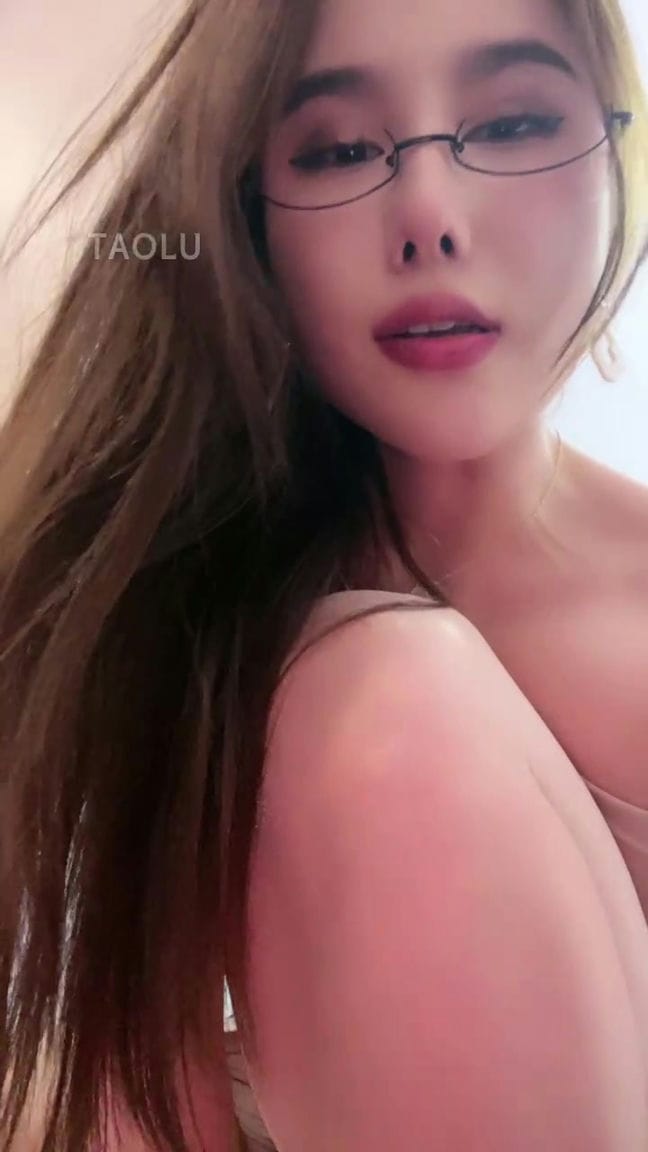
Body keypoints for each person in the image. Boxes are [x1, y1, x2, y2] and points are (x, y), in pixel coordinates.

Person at [2, 0, 648, 1147]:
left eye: (513, 124)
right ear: (246, 222)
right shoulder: (195, 612)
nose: (431, 218)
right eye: (340, 150)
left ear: (616, 151)